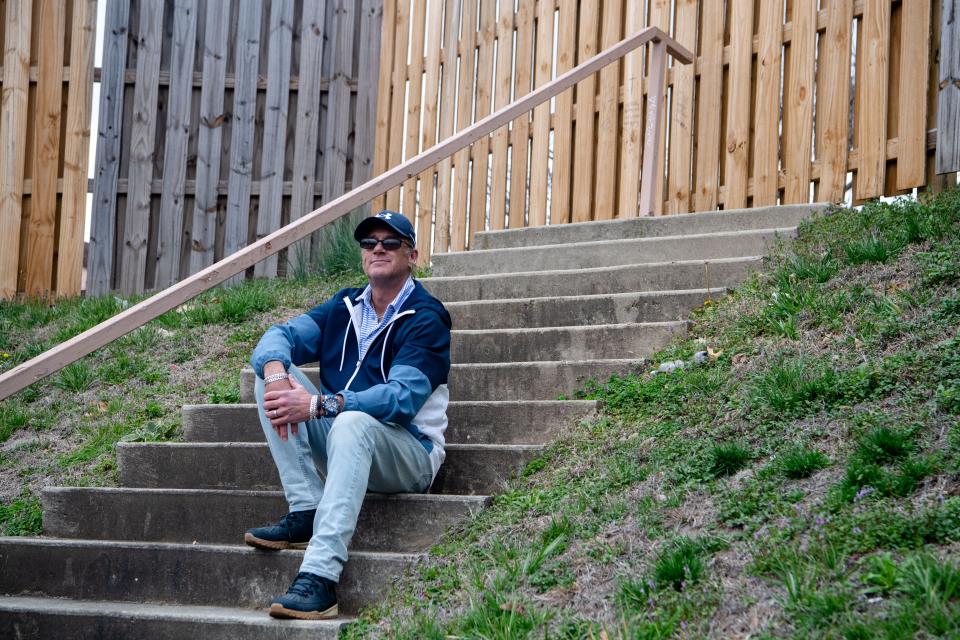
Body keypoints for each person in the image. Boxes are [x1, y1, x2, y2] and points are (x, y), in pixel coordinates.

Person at [245, 211, 452, 620]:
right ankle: (306, 508)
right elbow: (280, 335)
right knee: (272, 374)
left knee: (353, 420)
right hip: (347, 439)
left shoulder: (427, 317)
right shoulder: (343, 307)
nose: (378, 248)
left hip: (409, 453)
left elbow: (400, 400)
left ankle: (320, 579)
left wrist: (320, 405)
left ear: (412, 254)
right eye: (369, 242)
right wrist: (273, 374)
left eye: (390, 242)